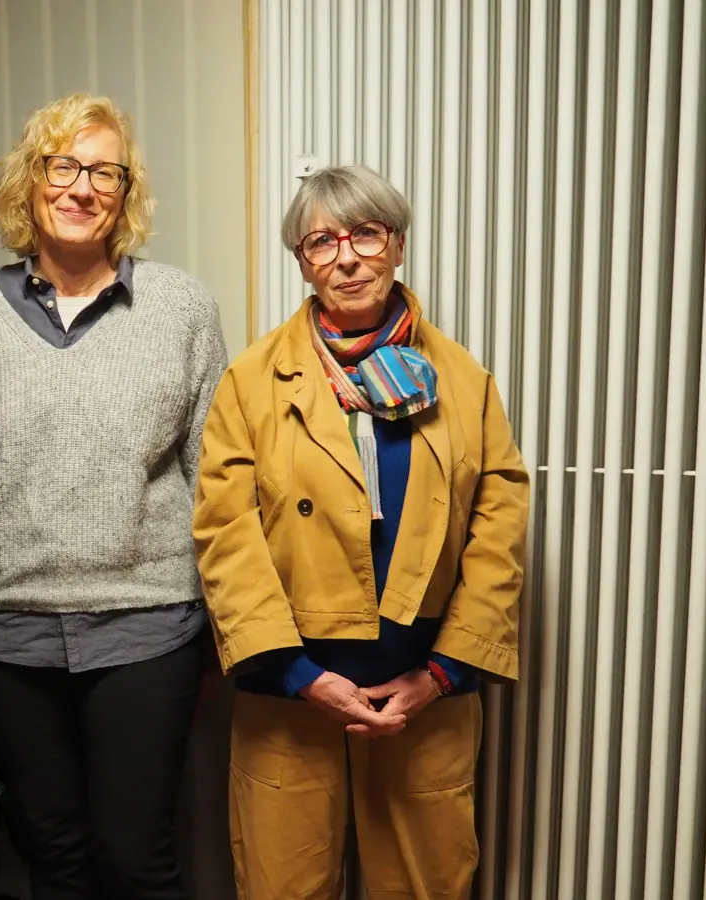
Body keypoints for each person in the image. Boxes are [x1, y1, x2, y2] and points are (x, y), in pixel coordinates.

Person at [193, 164, 530, 899]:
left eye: (365, 235)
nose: (346, 257)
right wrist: (298, 676)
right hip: (289, 692)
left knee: (425, 884)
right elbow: (225, 534)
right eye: (322, 242)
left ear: (397, 245)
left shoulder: (465, 382)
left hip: (424, 692)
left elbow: (497, 530)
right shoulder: (250, 382)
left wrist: (442, 674)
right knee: (283, 885)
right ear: (302, 261)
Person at [0, 93, 227, 900]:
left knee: (137, 862)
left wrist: (218, 627)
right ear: (28, 185)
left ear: (126, 192)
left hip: (148, 625)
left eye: (105, 171)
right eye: (61, 166)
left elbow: (216, 478)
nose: (82, 187)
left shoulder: (180, 309)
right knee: (53, 862)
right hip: (11, 636)